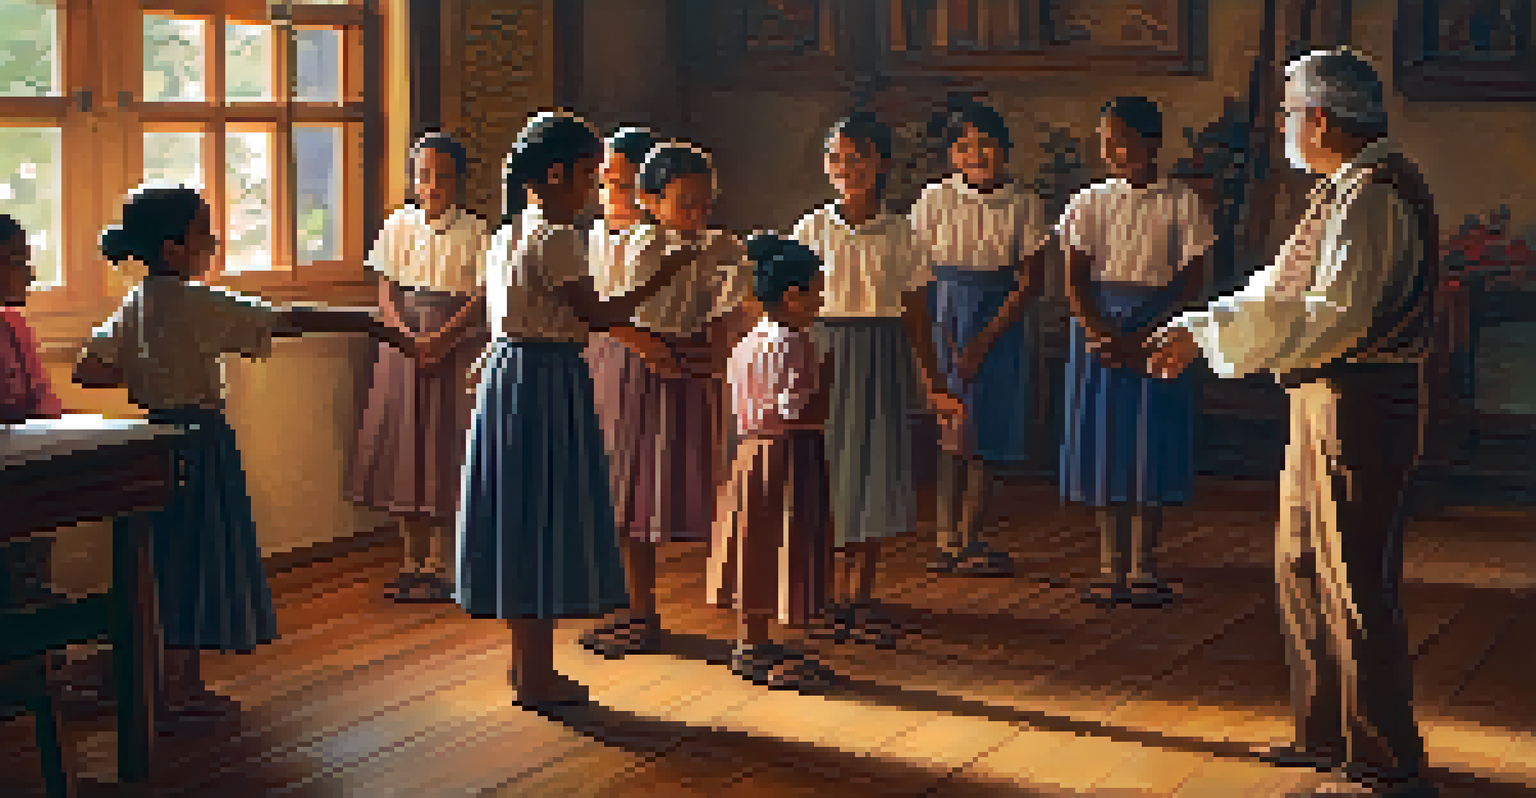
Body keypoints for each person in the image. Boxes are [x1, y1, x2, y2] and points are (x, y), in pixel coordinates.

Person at [1146, 48, 1439, 798]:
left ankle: (1382, 756)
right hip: (1325, 395)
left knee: (1353, 577)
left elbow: (1328, 315)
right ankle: (1324, 735)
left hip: (1360, 400)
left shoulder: (1373, 194)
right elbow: (1275, 288)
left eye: (1286, 113)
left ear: (1319, 119)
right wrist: (1201, 327)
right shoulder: (1345, 188)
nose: (1281, 126)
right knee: (1303, 563)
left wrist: (1208, 336)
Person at [72, 185, 415, 721]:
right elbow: (283, 318)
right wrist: (368, 320)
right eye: (202, 231)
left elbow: (88, 371)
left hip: (153, 444)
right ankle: (180, 688)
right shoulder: (194, 302)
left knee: (168, 561)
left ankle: (156, 678)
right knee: (199, 557)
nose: (213, 240)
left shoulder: (137, 303)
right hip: (200, 440)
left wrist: (150, 376)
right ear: (173, 249)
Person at [455, 111, 698, 707]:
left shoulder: (510, 230)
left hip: (510, 376)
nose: (595, 189)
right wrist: (663, 274)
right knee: (542, 519)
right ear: (556, 174)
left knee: (521, 521)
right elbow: (595, 315)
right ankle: (535, 674)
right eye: (591, 175)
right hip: (544, 381)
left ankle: (525, 665)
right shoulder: (557, 236)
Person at [579, 140, 754, 659]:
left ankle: (676, 611)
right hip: (632, 369)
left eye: (704, 204)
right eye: (685, 204)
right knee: (626, 491)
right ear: (651, 201)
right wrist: (650, 348)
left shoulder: (718, 248)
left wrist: (710, 354)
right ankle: (635, 608)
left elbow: (727, 313)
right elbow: (606, 314)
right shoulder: (639, 248)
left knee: (664, 490)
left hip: (686, 370)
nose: (697, 215)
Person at [793, 112, 963, 647]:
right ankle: (821, 593)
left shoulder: (900, 232)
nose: (847, 169)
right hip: (826, 353)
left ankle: (861, 595)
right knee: (826, 472)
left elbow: (915, 310)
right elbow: (791, 305)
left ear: (881, 164)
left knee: (872, 472)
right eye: (837, 159)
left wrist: (932, 379)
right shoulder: (811, 229)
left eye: (858, 157)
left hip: (883, 356)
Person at [1055, 96, 1215, 608]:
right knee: (1106, 443)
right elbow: (1075, 281)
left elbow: (1192, 281)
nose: (1114, 152)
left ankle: (1143, 564)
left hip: (1157, 332)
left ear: (1152, 142)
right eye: (1106, 142)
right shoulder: (1088, 203)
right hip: (1102, 334)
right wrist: (1101, 333)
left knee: (1150, 442)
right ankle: (1108, 564)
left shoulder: (1181, 202)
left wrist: (1147, 335)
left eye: (1123, 140)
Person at [910, 96, 1050, 577]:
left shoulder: (1024, 203)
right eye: (965, 147)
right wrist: (940, 336)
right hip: (944, 318)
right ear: (952, 156)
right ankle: (944, 539)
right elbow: (917, 271)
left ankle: (971, 535)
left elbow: (1031, 280)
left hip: (999, 321)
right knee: (952, 428)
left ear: (1005, 151)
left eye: (987, 145)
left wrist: (986, 338)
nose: (977, 155)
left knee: (987, 431)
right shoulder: (935, 199)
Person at [350, 131, 490, 604]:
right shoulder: (397, 226)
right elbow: (387, 289)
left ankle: (450, 563)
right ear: (412, 180)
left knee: (448, 445)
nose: (432, 187)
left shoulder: (475, 232)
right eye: (423, 177)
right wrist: (403, 335)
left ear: (459, 182)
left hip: (456, 344)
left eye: (443, 178)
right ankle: (413, 560)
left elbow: (483, 296)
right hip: (404, 346)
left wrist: (445, 336)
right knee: (406, 449)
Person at [706, 233, 836, 691]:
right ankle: (753, 651)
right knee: (780, 540)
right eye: (817, 290)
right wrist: (827, 386)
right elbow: (794, 408)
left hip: (751, 451)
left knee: (754, 544)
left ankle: (752, 640)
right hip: (787, 452)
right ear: (792, 296)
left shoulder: (750, 339)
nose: (821, 300)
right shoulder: (794, 342)